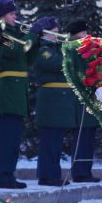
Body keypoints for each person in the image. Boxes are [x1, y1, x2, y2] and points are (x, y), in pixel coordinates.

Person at [0, 0, 30, 189]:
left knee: (13, 139)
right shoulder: (0, 33)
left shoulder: (15, 33)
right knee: (4, 138)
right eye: (12, 13)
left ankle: (8, 174)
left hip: (17, 90)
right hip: (6, 89)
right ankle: (1, 175)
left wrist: (35, 39)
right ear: (2, 16)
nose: (16, 17)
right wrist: (34, 36)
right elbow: (16, 51)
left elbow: (28, 57)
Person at [30, 16, 74, 186]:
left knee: (56, 141)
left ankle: (54, 174)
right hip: (50, 98)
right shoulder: (43, 49)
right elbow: (57, 63)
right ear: (44, 33)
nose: (57, 35)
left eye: (57, 32)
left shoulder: (55, 48)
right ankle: (46, 175)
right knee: (49, 140)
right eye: (53, 32)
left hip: (59, 100)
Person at [64, 19, 100, 183]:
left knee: (89, 137)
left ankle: (86, 171)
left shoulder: (86, 49)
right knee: (82, 136)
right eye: (83, 32)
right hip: (79, 98)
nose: (86, 35)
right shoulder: (72, 49)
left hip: (89, 97)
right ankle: (79, 172)